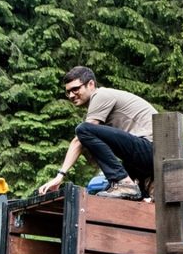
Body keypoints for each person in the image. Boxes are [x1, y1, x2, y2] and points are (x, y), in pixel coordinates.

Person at [38, 66, 158, 200]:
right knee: (108, 195)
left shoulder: (101, 95)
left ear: (91, 84)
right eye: (68, 92)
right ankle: (130, 188)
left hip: (152, 151)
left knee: (83, 129)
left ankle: (124, 183)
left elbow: (79, 139)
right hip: (144, 155)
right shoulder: (103, 102)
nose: (71, 95)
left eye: (75, 89)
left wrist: (60, 175)